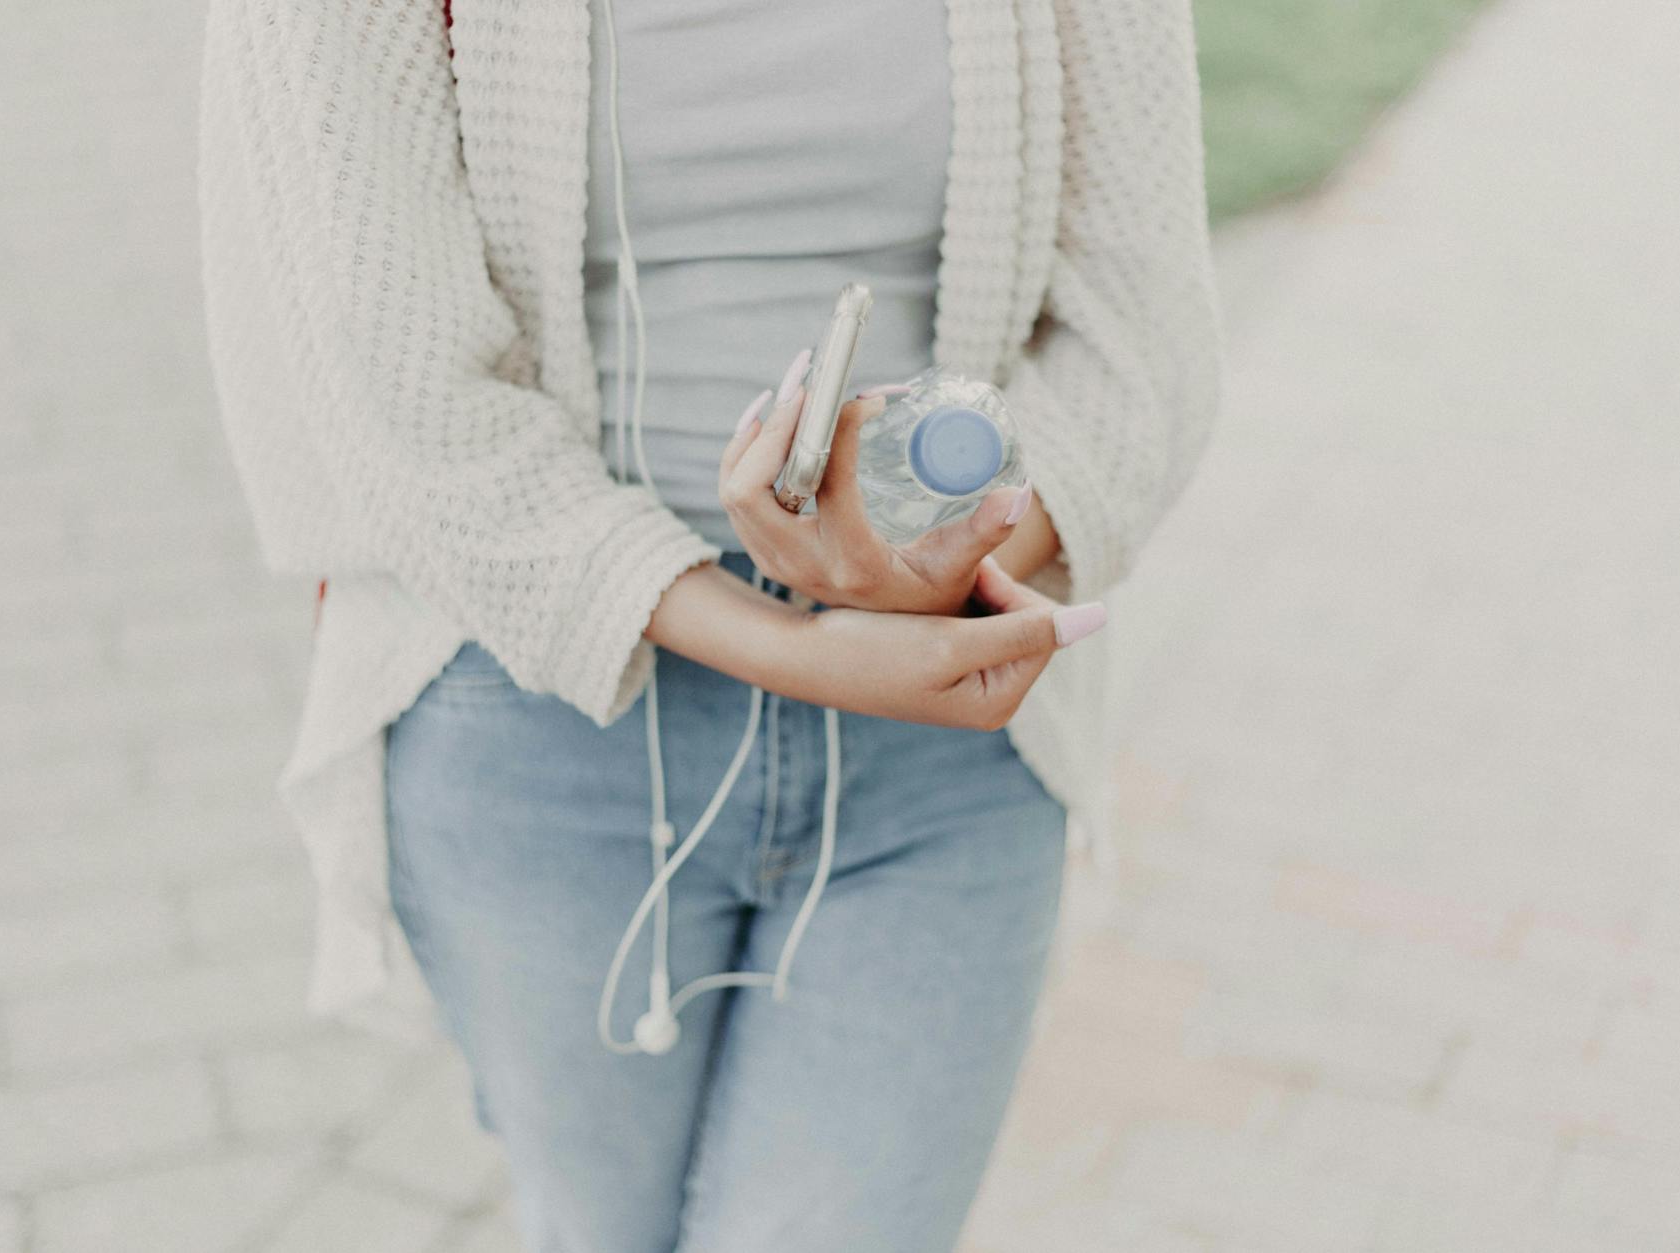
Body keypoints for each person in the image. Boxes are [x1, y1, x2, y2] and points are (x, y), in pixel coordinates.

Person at [197, 0, 1220, 1248]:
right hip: (536, 718)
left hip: (938, 750)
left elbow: (1142, 339)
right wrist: (794, 641)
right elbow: (391, 390)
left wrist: (918, 573)